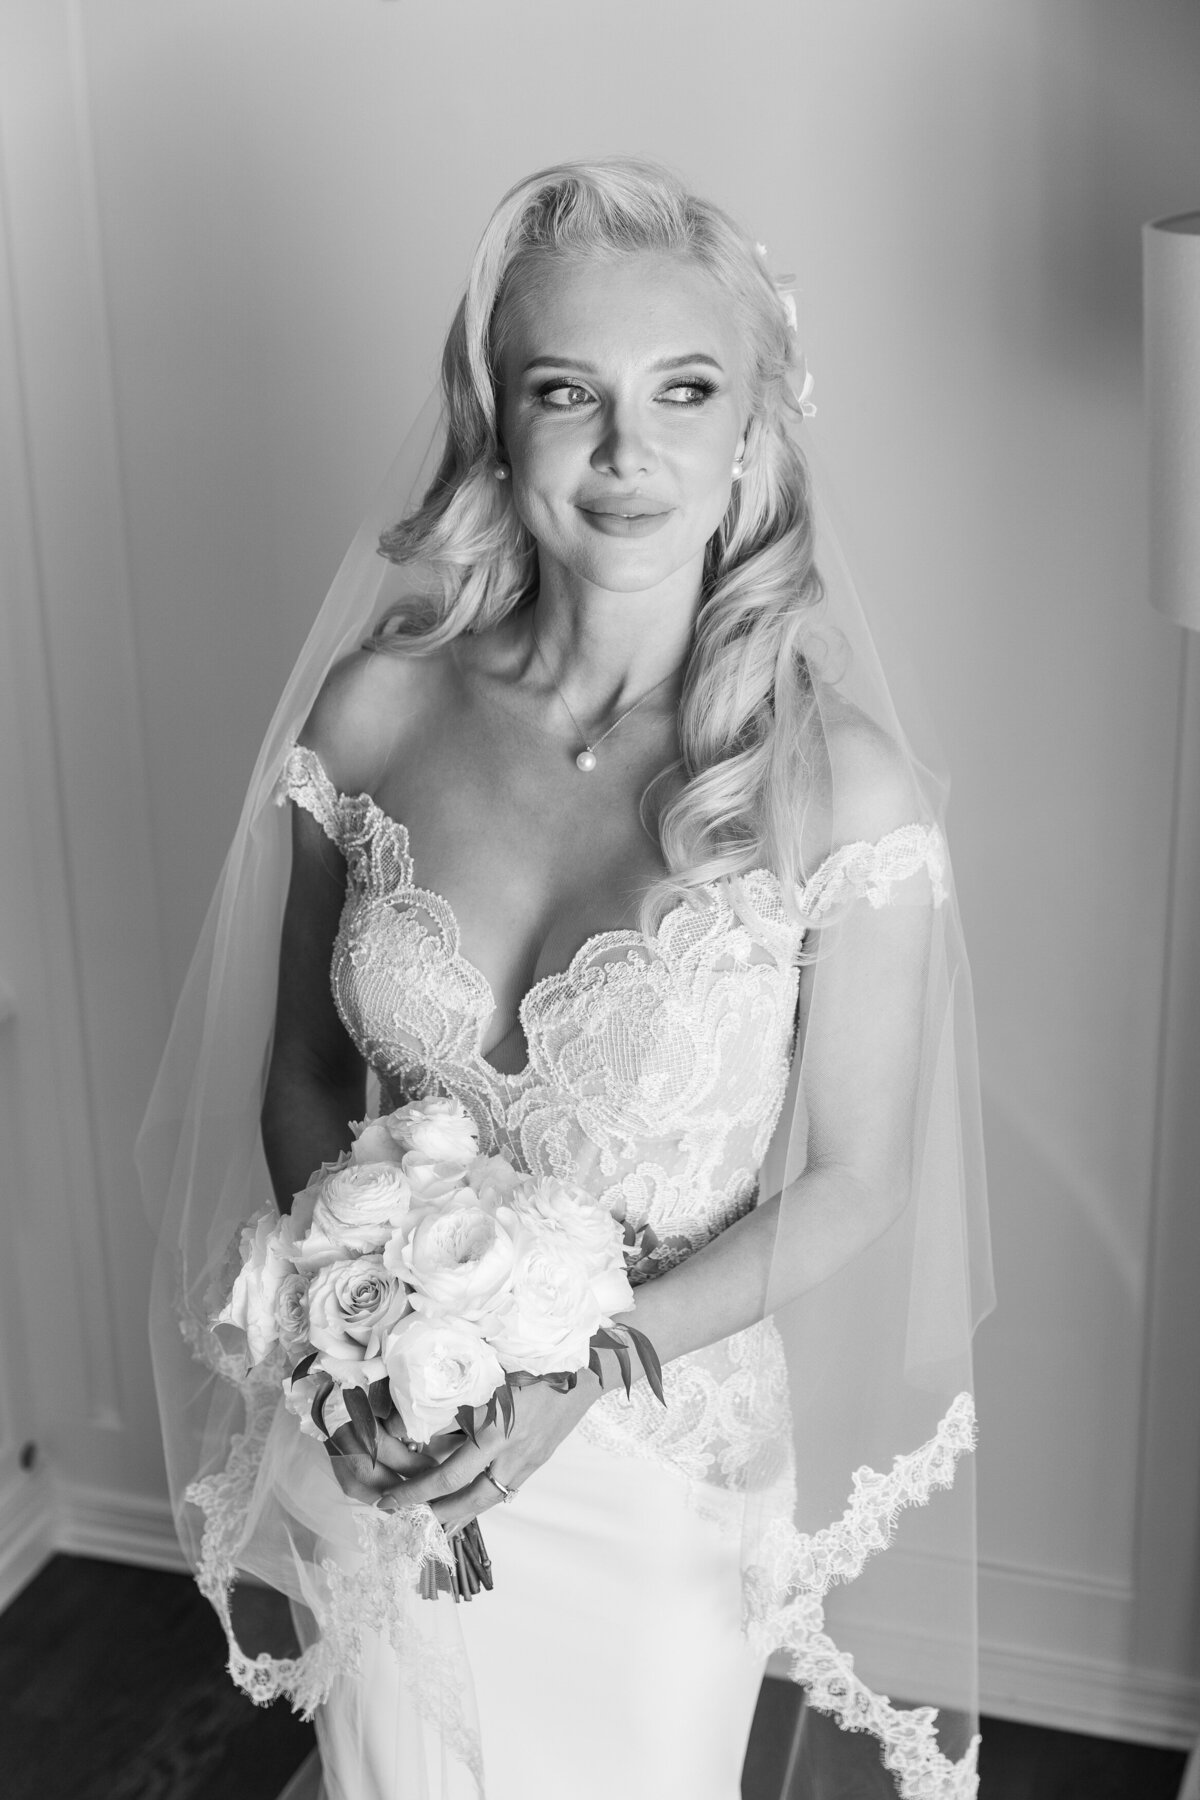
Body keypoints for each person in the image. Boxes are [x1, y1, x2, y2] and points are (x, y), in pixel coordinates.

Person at [141, 159, 992, 1800]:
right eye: (566, 395)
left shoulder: (837, 792)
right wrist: (362, 1357)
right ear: (496, 426)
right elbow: (310, 1076)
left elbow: (854, 1180)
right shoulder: (380, 710)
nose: (629, 451)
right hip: (397, 1451)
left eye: (686, 390)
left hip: (653, 1470)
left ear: (755, 428)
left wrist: (581, 1374)